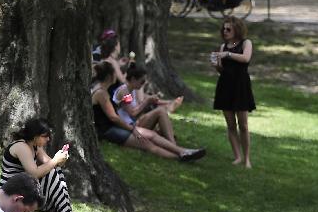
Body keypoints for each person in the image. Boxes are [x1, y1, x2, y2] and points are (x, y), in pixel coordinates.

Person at [91, 62, 206, 161]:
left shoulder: (130, 90)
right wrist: (146, 104)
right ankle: (180, 155)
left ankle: (180, 151)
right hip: (119, 127)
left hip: (124, 125)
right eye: (142, 82)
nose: (143, 84)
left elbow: (144, 101)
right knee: (149, 143)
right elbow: (128, 114)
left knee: (153, 133)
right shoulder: (122, 92)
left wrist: (167, 102)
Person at [0, 118, 84, 212]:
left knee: (56, 170)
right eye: (45, 136)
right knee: (51, 172)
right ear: (35, 136)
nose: (48, 139)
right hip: (11, 190)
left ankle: (65, 210)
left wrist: (61, 160)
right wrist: (55, 161)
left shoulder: (35, 146)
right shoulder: (21, 147)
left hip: (23, 186)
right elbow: (33, 174)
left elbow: (50, 163)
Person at [212, 17, 255, 168]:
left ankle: (247, 158)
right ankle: (237, 156)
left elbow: (245, 58)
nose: (225, 31)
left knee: (243, 125)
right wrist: (216, 64)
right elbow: (222, 70)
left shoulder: (246, 43)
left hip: (240, 86)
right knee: (231, 125)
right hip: (225, 86)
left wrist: (228, 55)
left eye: (228, 29)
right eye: (224, 29)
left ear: (237, 29)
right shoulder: (223, 46)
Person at [113, 63, 184, 145]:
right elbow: (132, 113)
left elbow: (150, 99)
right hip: (128, 127)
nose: (143, 84)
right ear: (133, 79)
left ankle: (170, 140)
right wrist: (146, 101)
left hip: (134, 123)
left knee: (161, 112)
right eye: (142, 81)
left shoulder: (132, 90)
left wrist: (169, 102)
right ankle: (172, 144)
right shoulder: (125, 92)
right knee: (160, 111)